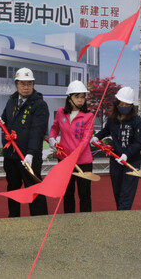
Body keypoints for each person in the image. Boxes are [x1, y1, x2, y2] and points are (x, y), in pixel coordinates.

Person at [0, 67, 48, 217]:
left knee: (33, 188)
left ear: (33, 84)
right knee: (13, 188)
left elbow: (37, 132)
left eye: (29, 83)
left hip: (29, 158)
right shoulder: (12, 100)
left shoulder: (39, 104)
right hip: (11, 155)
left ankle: (40, 219)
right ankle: (13, 218)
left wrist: (30, 154)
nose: (26, 87)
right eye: (22, 83)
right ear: (16, 84)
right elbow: (5, 117)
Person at [91, 87, 141, 210]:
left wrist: (126, 154)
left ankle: (123, 217)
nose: (123, 106)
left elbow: (139, 143)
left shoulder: (138, 122)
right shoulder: (112, 119)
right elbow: (106, 130)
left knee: (126, 194)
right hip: (115, 160)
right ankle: (120, 214)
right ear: (117, 103)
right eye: (121, 103)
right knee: (117, 192)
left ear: (132, 105)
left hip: (131, 162)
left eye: (127, 104)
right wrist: (97, 137)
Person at [48, 80, 94, 213]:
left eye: (83, 97)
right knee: (68, 194)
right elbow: (54, 128)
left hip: (83, 161)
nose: (80, 100)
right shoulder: (61, 112)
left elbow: (86, 139)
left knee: (84, 194)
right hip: (64, 160)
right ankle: (69, 222)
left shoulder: (88, 116)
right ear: (69, 98)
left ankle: (86, 222)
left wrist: (74, 155)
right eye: (77, 97)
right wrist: (52, 138)